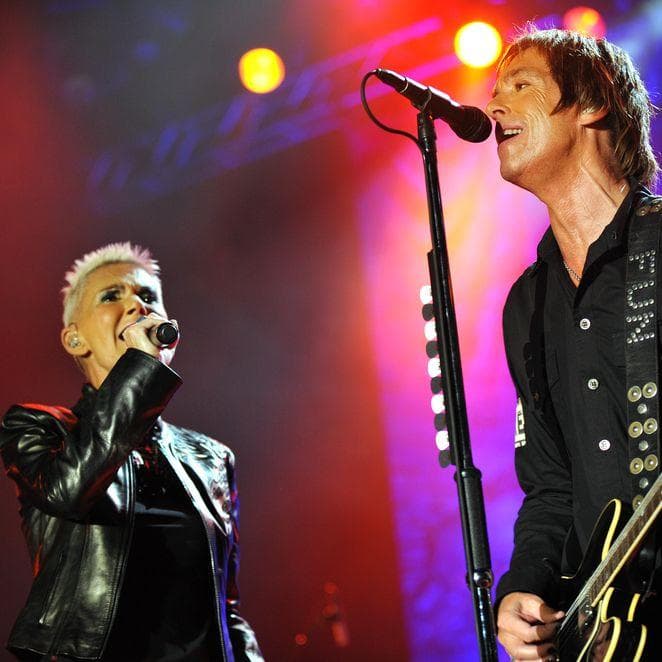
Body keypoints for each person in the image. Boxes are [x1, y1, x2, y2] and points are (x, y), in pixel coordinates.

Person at [486, 29, 660, 661]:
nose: (494, 106)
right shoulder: (527, 305)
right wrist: (522, 588)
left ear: (594, 103)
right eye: (496, 90)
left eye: (521, 85)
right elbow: (552, 485)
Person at [0, 243, 263, 661]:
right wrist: (139, 366)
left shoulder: (211, 458)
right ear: (74, 339)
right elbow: (69, 492)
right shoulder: (37, 427)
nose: (138, 305)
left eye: (148, 296)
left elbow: (226, 608)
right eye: (112, 296)